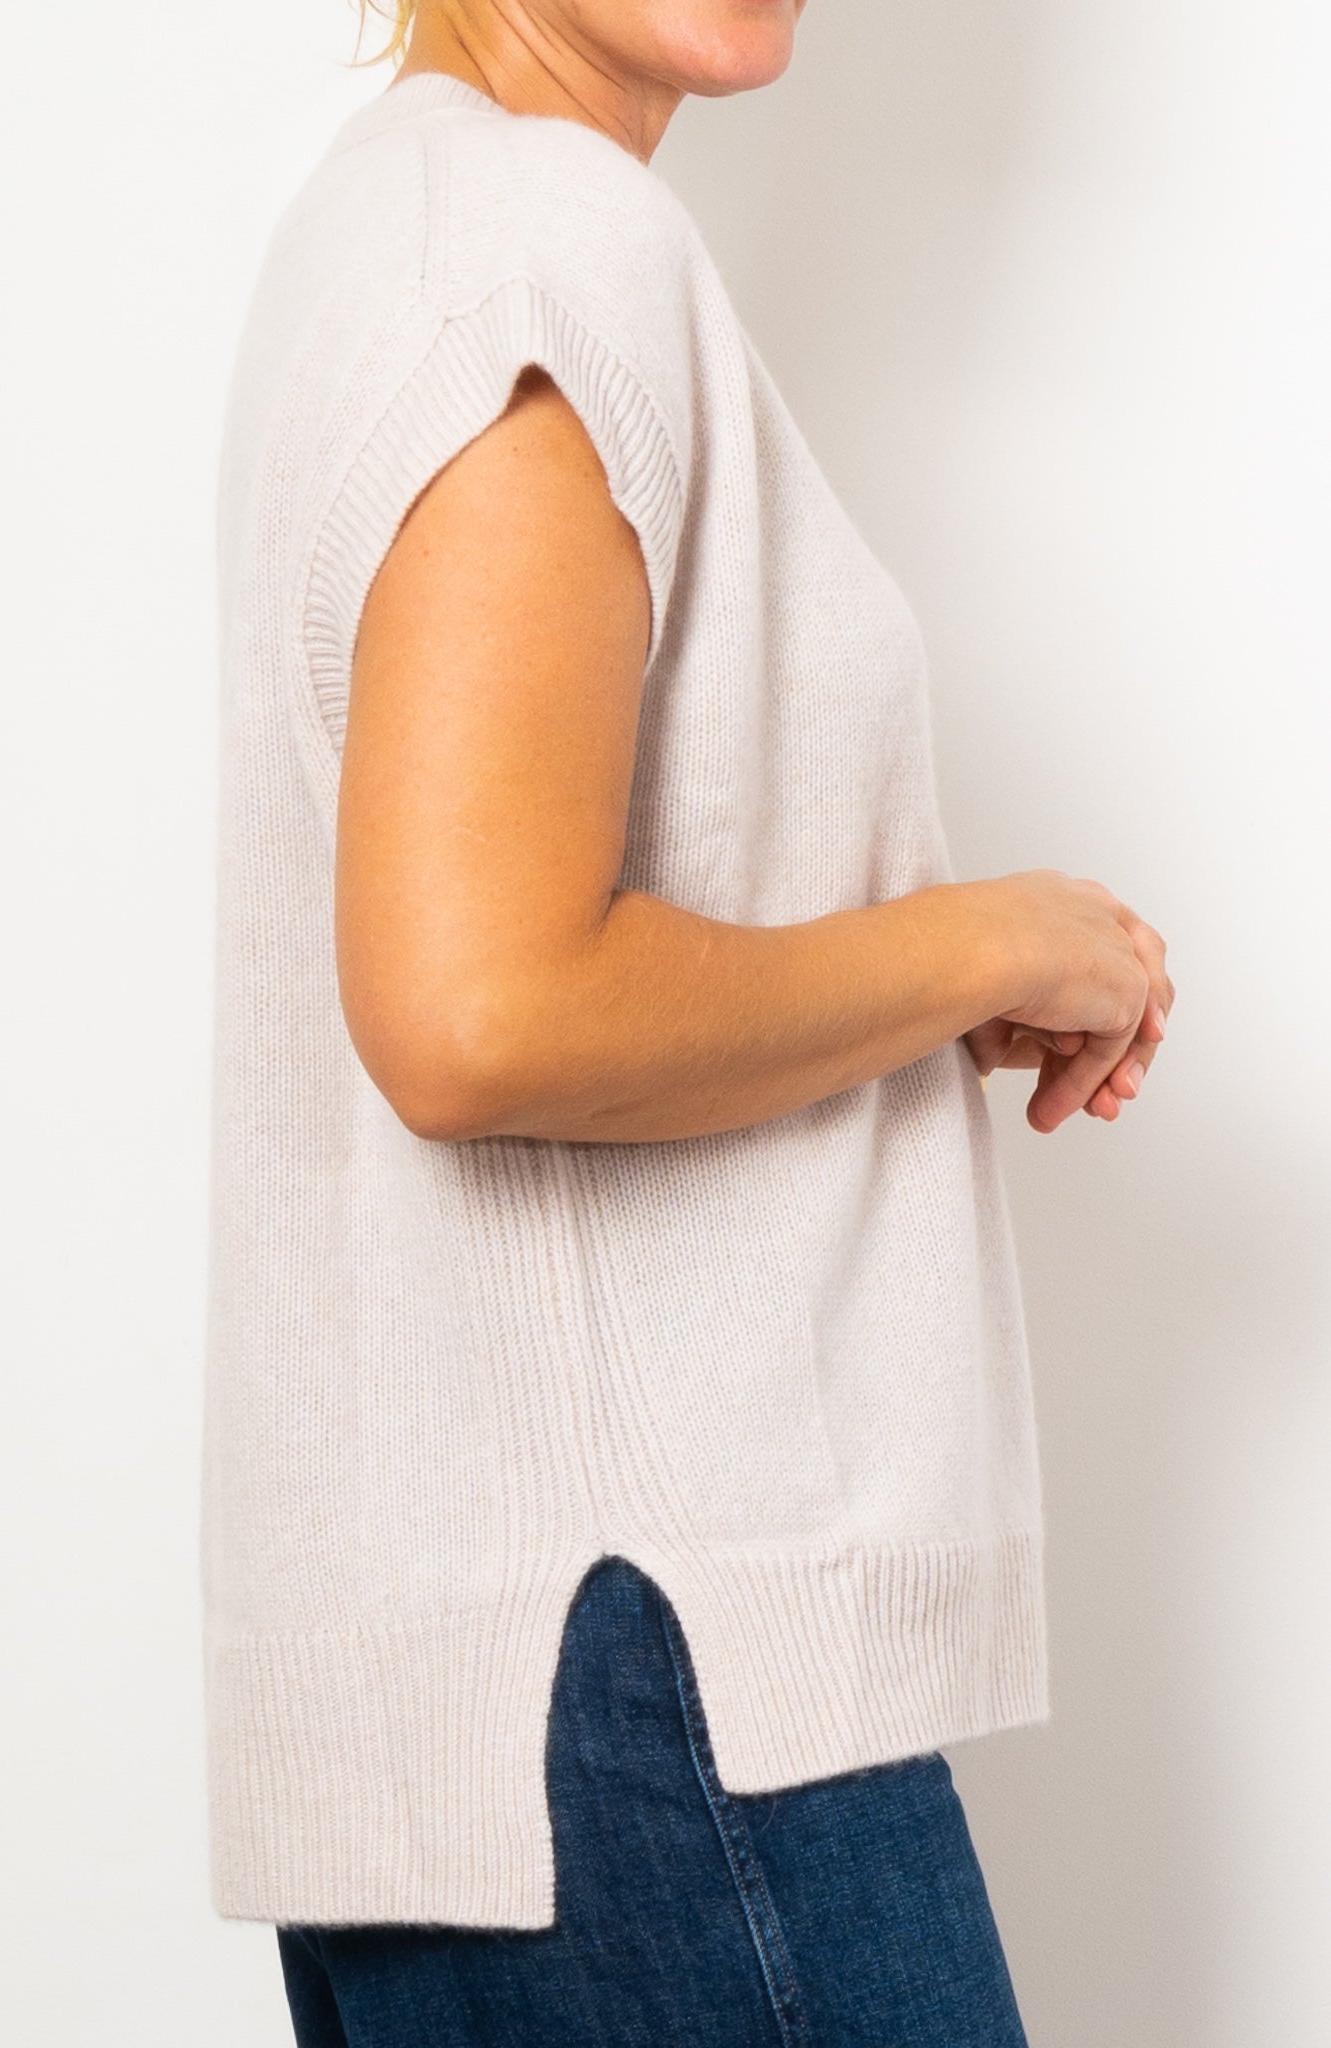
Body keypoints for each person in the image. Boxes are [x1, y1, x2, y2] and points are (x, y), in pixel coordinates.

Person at [202, 1, 1173, 2042]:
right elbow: (477, 1008)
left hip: (509, 1673)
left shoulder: (395, 218)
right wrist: (976, 939)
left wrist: (899, 978)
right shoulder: (541, 241)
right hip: (644, 1662)